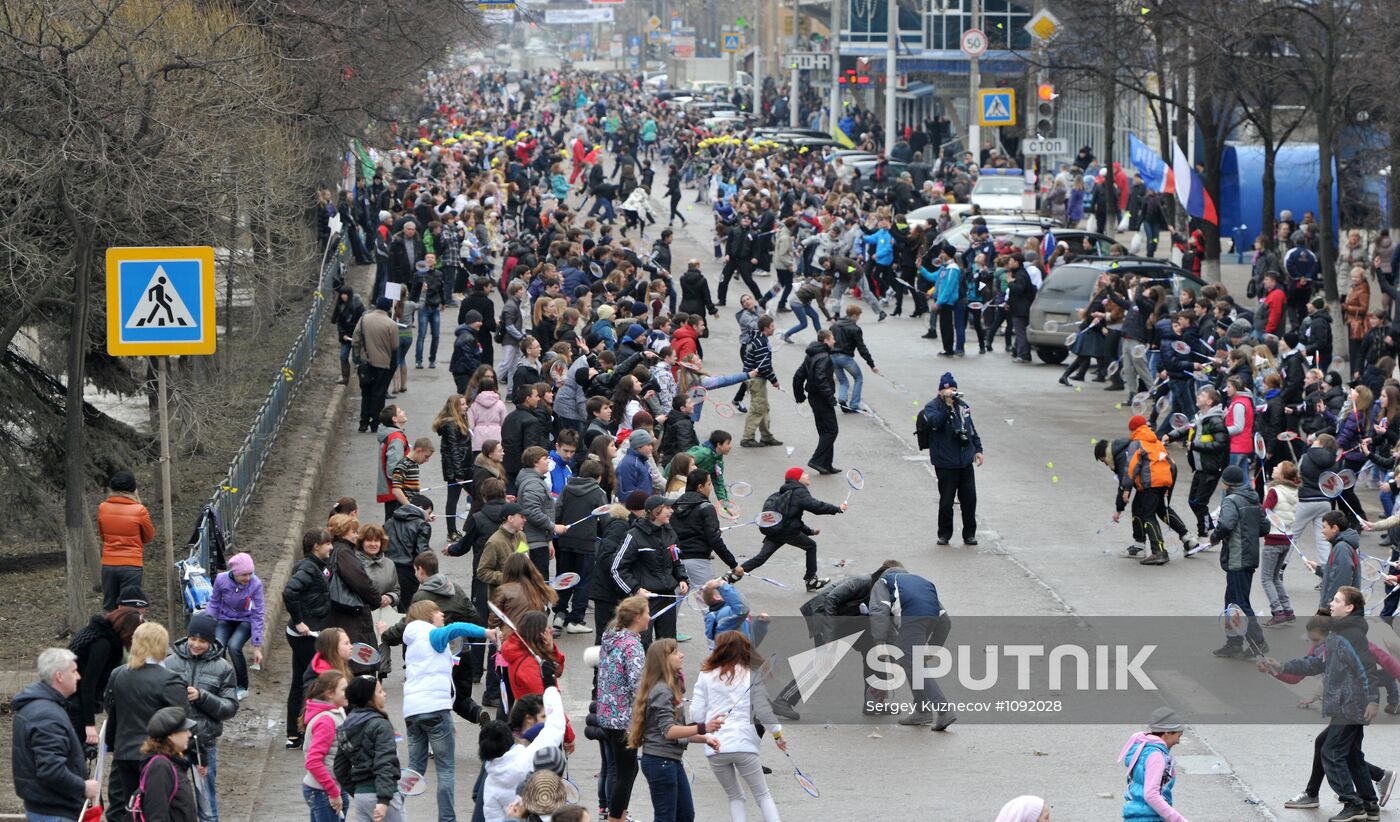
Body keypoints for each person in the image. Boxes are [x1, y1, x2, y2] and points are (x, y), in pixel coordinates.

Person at [1258, 587, 1382, 822]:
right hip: (1345, 704)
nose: (1331, 603)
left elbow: (1367, 669)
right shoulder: (1337, 634)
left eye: (1337, 600)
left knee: (1331, 751)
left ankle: (1352, 803)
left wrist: (1373, 700)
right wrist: (1281, 666)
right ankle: (1370, 805)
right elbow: (1315, 663)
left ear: (1349, 608)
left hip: (1351, 704)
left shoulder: (1351, 636)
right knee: (1352, 755)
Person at [399, 600, 493, 822]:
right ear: (427, 616)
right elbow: (456, 628)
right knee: (445, 768)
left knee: (414, 768)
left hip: (412, 712)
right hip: (435, 710)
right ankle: (447, 819)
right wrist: (486, 632)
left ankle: (389, 807)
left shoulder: (412, 641)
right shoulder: (432, 634)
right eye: (437, 611)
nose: (441, 614)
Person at [689, 631, 786, 822]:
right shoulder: (752, 675)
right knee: (762, 795)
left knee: (734, 797)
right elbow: (764, 712)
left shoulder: (705, 675)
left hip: (715, 746)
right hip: (744, 744)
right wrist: (778, 735)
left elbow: (696, 715)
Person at [629, 639, 723, 822]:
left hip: (668, 760)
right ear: (663, 659)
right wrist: (704, 727)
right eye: (675, 652)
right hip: (661, 762)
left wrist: (705, 738)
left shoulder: (665, 687)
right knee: (666, 818)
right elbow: (669, 731)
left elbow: (675, 731)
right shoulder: (663, 690)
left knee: (685, 815)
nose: (682, 655)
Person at [104, 622, 187, 822]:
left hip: (125, 754)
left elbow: (111, 709)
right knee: (157, 810)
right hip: (157, 757)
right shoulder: (170, 679)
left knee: (130, 809)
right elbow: (182, 718)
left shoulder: (118, 674)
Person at [164, 612, 238, 822]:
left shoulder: (224, 668)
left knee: (206, 805)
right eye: (193, 639)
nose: (196, 644)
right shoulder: (170, 663)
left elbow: (230, 707)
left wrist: (202, 696)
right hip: (173, 743)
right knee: (172, 800)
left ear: (211, 641)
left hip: (203, 745)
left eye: (202, 640)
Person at [12, 648, 98, 822]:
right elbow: (51, 770)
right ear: (59, 676)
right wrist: (83, 787)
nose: (79, 677)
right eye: (74, 671)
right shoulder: (47, 716)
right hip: (54, 811)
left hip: (46, 807)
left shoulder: (39, 707)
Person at [866, 561, 955, 729]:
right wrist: (934, 646)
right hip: (930, 620)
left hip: (911, 619)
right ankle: (922, 710)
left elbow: (879, 611)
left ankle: (943, 711)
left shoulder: (884, 582)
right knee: (913, 663)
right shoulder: (921, 581)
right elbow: (945, 620)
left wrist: (879, 642)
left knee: (913, 664)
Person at [735, 468, 843, 591]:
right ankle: (811, 580)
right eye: (804, 474)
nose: (807, 475)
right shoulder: (800, 492)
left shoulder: (783, 493)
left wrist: (809, 531)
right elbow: (816, 507)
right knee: (811, 546)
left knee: (761, 558)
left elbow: (791, 518)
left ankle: (729, 577)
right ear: (797, 478)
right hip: (787, 532)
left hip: (776, 531)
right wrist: (837, 509)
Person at [596, 597, 650, 822]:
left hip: (606, 714)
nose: (649, 617)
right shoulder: (632, 645)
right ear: (637, 617)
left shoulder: (611, 638)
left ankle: (618, 814)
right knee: (626, 774)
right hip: (624, 719)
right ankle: (616, 818)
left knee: (618, 770)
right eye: (647, 613)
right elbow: (638, 685)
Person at [1207, 465, 1270, 659]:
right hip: (1250, 556)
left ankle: (1258, 643)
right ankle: (1233, 642)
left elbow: (1226, 524)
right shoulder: (1253, 497)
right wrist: (1248, 532)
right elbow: (1265, 527)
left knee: (1240, 603)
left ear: (1226, 483)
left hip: (1237, 556)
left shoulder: (1230, 500)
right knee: (1232, 601)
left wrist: (1215, 537)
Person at [479, 688, 567, 822]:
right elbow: (555, 728)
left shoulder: (490, 781)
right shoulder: (527, 757)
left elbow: (492, 817)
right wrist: (550, 689)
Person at [65, 605, 143, 753]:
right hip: (74, 703)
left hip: (71, 699)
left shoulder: (94, 633)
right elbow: (88, 684)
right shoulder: (103, 644)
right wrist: (89, 725)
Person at [282, 528, 334, 749]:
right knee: (310, 681)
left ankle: (294, 734)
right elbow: (289, 592)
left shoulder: (317, 567)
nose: (331, 547)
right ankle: (307, 729)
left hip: (308, 631)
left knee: (299, 681)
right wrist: (299, 621)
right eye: (327, 543)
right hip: (306, 634)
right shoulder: (308, 568)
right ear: (316, 547)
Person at [919, 372, 984, 546]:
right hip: (945, 463)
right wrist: (947, 407)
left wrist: (978, 449)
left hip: (965, 461)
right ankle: (944, 534)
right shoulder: (931, 407)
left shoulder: (963, 406)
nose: (950, 392)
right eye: (947, 389)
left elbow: (971, 429)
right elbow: (934, 424)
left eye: (953, 389)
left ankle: (969, 534)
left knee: (970, 500)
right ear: (940, 391)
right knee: (947, 501)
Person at [612, 496, 690, 641]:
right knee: (643, 643)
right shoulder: (633, 536)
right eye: (667, 508)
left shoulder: (670, 532)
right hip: (644, 600)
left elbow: (676, 559)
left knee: (668, 644)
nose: (671, 511)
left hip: (667, 597)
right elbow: (617, 568)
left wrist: (682, 578)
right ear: (655, 512)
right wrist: (635, 589)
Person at [334, 676, 404, 822]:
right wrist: (384, 800)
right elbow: (385, 763)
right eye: (379, 691)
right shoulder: (381, 725)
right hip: (384, 797)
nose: (385, 694)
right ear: (369, 699)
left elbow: (340, 767)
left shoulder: (346, 725)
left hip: (361, 797)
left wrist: (359, 791)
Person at [1114, 415, 1179, 566]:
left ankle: (1159, 552)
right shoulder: (1156, 441)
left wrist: (1126, 488)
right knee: (1151, 512)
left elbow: (1131, 466)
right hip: (1165, 480)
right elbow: (1169, 461)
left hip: (1151, 482)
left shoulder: (1137, 443)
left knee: (1148, 515)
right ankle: (1165, 547)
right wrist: (1168, 486)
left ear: (1133, 429)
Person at [554, 459, 609, 633]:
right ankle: (576, 619)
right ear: (598, 477)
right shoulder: (598, 492)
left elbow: (558, 511)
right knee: (583, 580)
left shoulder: (568, 487)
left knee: (564, 578)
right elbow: (606, 519)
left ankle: (559, 613)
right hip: (586, 543)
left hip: (565, 540)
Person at [203, 552, 264, 701]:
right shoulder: (221, 579)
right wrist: (207, 622)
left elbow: (257, 614)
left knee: (234, 646)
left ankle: (243, 686)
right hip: (226, 618)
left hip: (246, 619)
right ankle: (222, 682)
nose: (247, 578)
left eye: (250, 573)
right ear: (234, 573)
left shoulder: (255, 584)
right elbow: (214, 602)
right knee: (219, 645)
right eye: (244, 575)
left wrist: (257, 646)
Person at [673, 469, 744, 585]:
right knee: (713, 599)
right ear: (700, 487)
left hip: (676, 563)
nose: (710, 488)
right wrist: (733, 564)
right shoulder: (706, 508)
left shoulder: (675, 506)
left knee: (672, 600)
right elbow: (714, 540)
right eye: (709, 484)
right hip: (698, 562)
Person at [1118, 707, 1189, 822]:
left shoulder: (1142, 749)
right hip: (1150, 817)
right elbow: (1151, 795)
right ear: (1167, 733)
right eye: (1178, 736)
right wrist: (1178, 820)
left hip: (1136, 816)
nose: (1178, 741)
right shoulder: (1156, 756)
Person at [98, 470, 154, 613]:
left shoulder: (103, 508)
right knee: (130, 608)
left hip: (109, 564)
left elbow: (103, 536)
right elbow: (148, 537)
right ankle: (128, 635)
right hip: (131, 565)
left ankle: (108, 634)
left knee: (109, 607)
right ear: (133, 489)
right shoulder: (139, 510)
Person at [134, 706, 199, 822]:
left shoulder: (172, 761)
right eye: (185, 730)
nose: (189, 734)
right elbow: (156, 816)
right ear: (170, 735)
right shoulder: (160, 766)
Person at [301, 671, 348, 822]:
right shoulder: (326, 721)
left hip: (330, 788)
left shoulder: (336, 713)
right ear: (330, 694)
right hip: (324, 791)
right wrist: (333, 792)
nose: (348, 693)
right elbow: (313, 761)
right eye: (344, 690)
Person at [792, 329, 840, 475]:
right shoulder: (824, 357)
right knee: (832, 430)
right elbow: (820, 380)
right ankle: (817, 460)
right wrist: (831, 398)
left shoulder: (810, 355)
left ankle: (826, 464)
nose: (834, 341)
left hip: (814, 398)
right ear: (825, 340)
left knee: (825, 431)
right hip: (822, 399)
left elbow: (798, 376)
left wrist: (800, 396)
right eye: (832, 338)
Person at [353, 297, 398, 433]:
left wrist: (359, 354)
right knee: (378, 394)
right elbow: (394, 345)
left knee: (366, 393)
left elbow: (355, 339)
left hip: (365, 363)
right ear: (389, 308)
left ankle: (363, 422)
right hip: (383, 364)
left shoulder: (364, 319)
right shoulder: (391, 324)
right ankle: (376, 423)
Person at [739, 315, 782, 447]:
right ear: (766, 328)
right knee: (757, 408)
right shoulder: (761, 342)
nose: (774, 328)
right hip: (756, 379)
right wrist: (774, 380)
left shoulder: (755, 338)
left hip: (752, 378)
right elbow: (763, 366)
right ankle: (747, 438)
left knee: (763, 407)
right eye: (772, 326)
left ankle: (766, 436)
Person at [1306, 511, 1362, 610]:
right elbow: (1335, 572)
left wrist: (1328, 607)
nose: (1322, 531)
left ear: (1334, 528)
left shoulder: (1342, 548)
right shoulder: (1341, 545)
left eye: (1324, 527)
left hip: (1338, 611)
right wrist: (1318, 568)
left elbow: (1341, 582)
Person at [830, 304, 880, 413]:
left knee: (843, 381)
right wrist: (871, 365)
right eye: (858, 316)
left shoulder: (834, 326)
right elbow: (862, 348)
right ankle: (854, 405)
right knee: (858, 378)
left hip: (833, 357)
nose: (859, 318)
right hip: (845, 357)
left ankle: (842, 399)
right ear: (853, 315)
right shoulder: (855, 329)